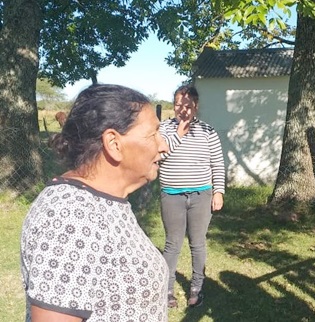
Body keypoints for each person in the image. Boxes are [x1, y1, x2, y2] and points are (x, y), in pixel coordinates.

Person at [21, 84, 169, 322]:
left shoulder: (101, 202)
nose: (164, 146)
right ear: (114, 143)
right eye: (153, 134)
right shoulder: (70, 216)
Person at [159, 85, 225, 308]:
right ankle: (167, 290)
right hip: (172, 196)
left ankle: (196, 289)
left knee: (198, 243)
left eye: (187, 105)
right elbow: (158, 156)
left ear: (196, 106)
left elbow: (217, 164)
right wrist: (178, 134)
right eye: (178, 105)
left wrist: (218, 192)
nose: (182, 110)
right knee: (172, 244)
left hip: (201, 195)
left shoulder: (208, 131)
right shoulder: (163, 129)